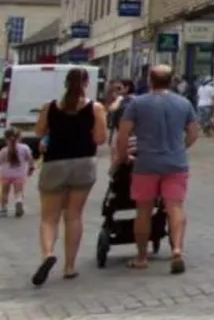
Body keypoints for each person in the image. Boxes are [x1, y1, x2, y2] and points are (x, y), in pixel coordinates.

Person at [116, 64, 198, 275]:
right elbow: (192, 133)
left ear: (149, 81)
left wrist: (123, 157)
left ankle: (142, 257)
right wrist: (180, 147)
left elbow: (123, 134)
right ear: (171, 82)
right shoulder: (184, 103)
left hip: (146, 163)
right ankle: (177, 249)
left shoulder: (137, 104)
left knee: (144, 210)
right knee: (175, 207)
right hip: (175, 163)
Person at [32, 66, 107, 285]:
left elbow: (38, 131)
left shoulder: (50, 107)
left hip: (55, 163)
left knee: (49, 217)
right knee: (73, 215)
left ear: (65, 83)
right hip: (83, 163)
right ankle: (69, 266)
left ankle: (48, 254)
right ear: (86, 84)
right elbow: (100, 138)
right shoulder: (96, 108)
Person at [1, 128, 35, 218]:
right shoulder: (25, 148)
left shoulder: (4, 150)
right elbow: (30, 159)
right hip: (19, 175)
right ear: (19, 138)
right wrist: (31, 168)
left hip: (5, 174)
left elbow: (0, 162)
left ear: (5, 139)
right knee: (18, 192)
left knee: (4, 192)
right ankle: (18, 202)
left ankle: (3, 210)